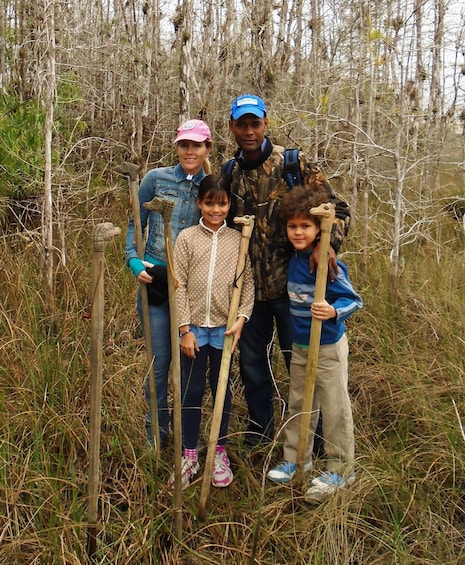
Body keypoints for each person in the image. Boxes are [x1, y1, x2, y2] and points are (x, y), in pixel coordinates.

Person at [225, 94, 351, 449]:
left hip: (295, 289)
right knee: (252, 365)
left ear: (266, 124)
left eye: (255, 123)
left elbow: (338, 210)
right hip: (250, 290)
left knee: (303, 364)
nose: (249, 131)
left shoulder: (294, 164)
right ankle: (260, 436)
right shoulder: (230, 173)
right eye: (242, 124)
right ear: (232, 127)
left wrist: (328, 245)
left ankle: (317, 442)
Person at [267, 187, 362, 503]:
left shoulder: (326, 263)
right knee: (299, 402)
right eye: (293, 227)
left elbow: (353, 300)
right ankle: (297, 459)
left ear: (318, 228)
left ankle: (341, 468)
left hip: (328, 347)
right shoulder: (295, 258)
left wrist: (334, 310)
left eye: (305, 227)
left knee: (334, 407)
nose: (297, 233)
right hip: (301, 345)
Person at [125, 119, 213, 447]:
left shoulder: (212, 189)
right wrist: (134, 261)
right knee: (159, 364)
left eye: (197, 145)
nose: (190, 151)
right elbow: (135, 225)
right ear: (177, 147)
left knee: (189, 371)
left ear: (207, 148)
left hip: (192, 291)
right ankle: (156, 436)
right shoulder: (155, 179)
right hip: (155, 285)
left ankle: (187, 438)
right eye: (184, 145)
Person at [169, 174, 254, 489]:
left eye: (222, 204)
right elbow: (179, 285)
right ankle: (189, 455)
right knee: (192, 391)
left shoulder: (238, 240)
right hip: (194, 330)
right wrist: (184, 328)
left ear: (229, 205)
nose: (215, 210)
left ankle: (219, 452)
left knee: (222, 391)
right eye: (209, 203)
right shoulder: (188, 238)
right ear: (198, 203)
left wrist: (242, 317)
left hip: (224, 329)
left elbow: (247, 284)